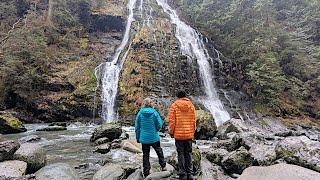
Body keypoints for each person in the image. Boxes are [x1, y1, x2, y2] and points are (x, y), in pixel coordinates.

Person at [168, 90, 196, 180]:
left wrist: (171, 132)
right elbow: (194, 121)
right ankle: (190, 174)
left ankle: (182, 174)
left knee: (180, 154)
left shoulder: (174, 106)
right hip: (188, 134)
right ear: (185, 96)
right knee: (188, 153)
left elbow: (172, 122)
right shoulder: (191, 105)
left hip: (179, 135)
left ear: (177, 96)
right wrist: (192, 133)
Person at [135, 98, 167, 177]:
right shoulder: (154, 113)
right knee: (159, 151)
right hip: (154, 137)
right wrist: (156, 129)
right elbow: (159, 124)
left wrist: (138, 137)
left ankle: (146, 171)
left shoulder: (140, 113)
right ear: (150, 104)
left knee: (145, 154)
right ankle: (163, 166)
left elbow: (137, 127)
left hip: (144, 138)